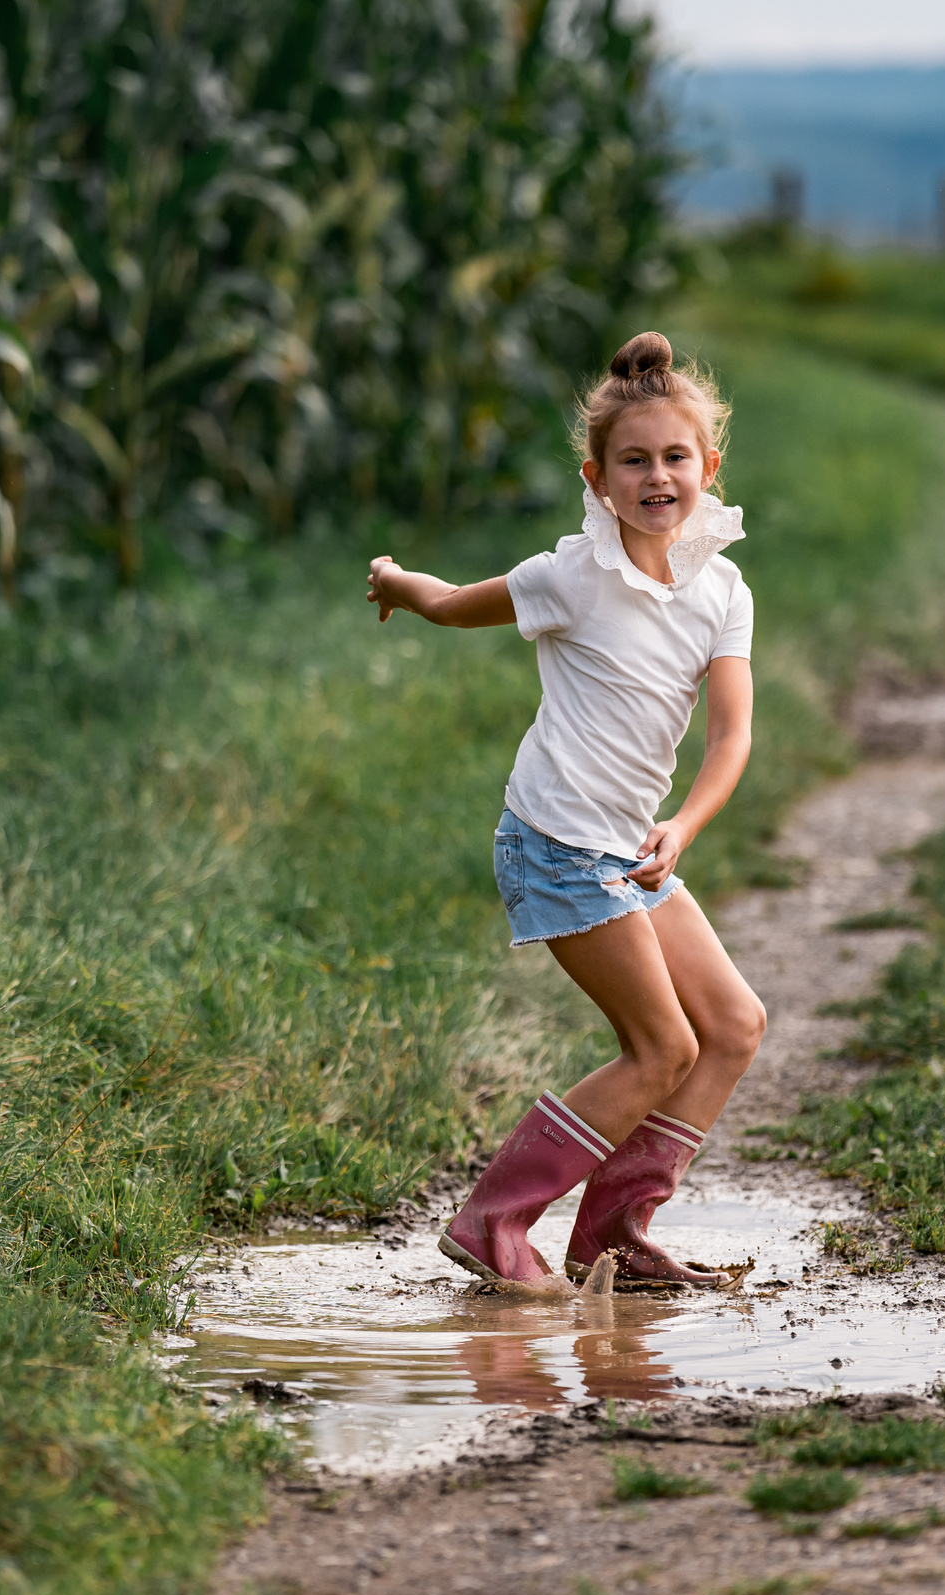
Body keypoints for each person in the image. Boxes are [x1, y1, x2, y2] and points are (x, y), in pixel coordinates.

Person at [365, 330, 767, 1294]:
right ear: (598, 478)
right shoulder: (569, 579)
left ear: (708, 469)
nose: (657, 476)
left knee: (734, 1023)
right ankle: (493, 1221)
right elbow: (458, 602)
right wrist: (399, 585)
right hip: (554, 844)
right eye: (634, 460)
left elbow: (731, 739)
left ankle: (614, 1236)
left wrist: (683, 828)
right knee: (662, 1046)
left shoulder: (721, 591)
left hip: (634, 847)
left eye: (675, 458)